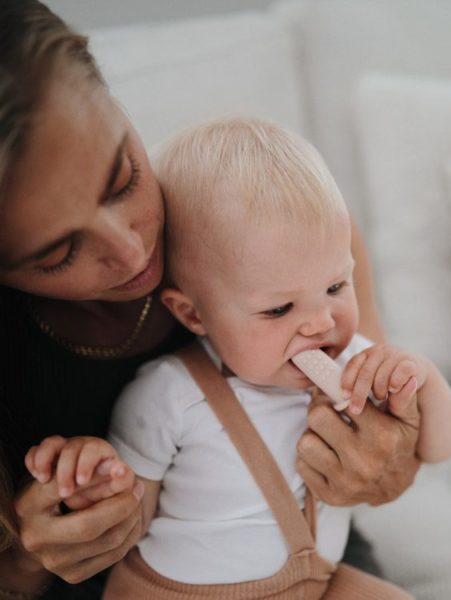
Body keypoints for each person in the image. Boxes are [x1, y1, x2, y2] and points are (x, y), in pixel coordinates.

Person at [0, 2, 423, 598]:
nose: (132, 251)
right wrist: (24, 563)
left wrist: (389, 463)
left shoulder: (278, 230)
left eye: (123, 177)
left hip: (316, 563)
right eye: (56, 253)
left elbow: (386, 454)